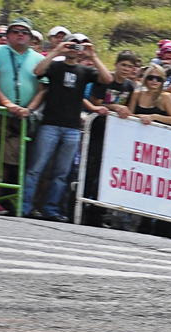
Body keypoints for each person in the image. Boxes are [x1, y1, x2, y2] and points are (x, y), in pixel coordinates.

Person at [23, 34, 111, 218]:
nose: (75, 48)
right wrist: (57, 51)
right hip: (50, 124)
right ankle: (23, 207)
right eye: (72, 44)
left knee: (61, 173)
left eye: (78, 45)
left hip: (72, 128)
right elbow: (38, 71)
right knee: (35, 169)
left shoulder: (84, 71)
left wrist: (92, 55)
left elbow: (107, 79)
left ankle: (51, 209)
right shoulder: (55, 66)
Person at [0, 18, 45, 190]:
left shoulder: (38, 58)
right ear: (8, 35)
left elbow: (43, 89)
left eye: (24, 32)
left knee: (7, 161)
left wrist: (29, 110)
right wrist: (7, 103)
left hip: (18, 120)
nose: (20, 34)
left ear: (30, 37)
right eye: (15, 31)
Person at [95, 50, 141, 116]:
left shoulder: (130, 85)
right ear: (116, 64)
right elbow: (95, 102)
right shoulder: (105, 79)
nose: (126, 69)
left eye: (130, 66)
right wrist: (114, 107)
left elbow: (130, 108)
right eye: (123, 65)